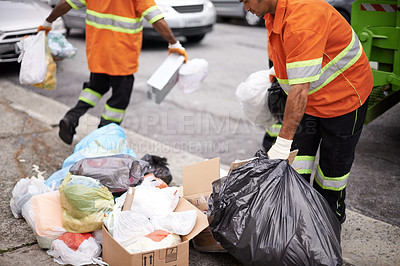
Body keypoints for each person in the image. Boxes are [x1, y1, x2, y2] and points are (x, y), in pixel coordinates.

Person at [240, 0, 373, 224]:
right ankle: (297, 220)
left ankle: (329, 223)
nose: (246, 9)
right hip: (308, 100)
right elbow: (289, 59)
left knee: (331, 175)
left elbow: (300, 89)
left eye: (246, 0)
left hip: (344, 99)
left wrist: (281, 143)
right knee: (296, 166)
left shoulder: (303, 17)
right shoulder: (272, 13)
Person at [38, 0, 188, 145]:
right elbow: (156, 19)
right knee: (119, 101)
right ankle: (103, 139)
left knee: (95, 88)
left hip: (98, 54)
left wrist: (47, 23)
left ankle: (71, 117)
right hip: (122, 59)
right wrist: (174, 43)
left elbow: (66, 3)